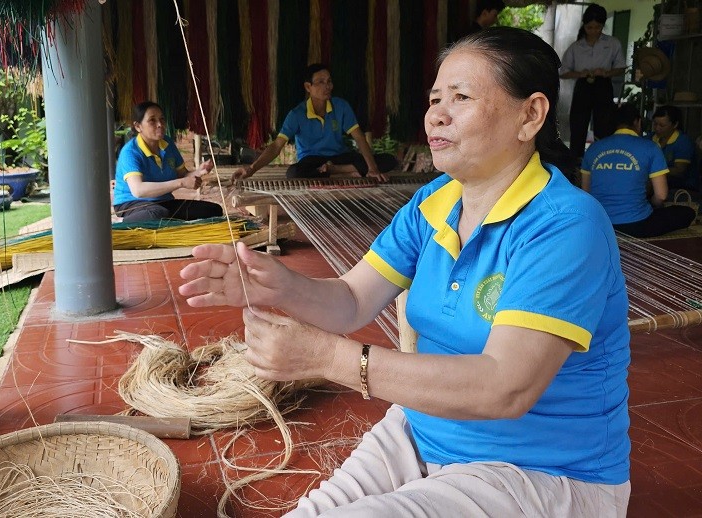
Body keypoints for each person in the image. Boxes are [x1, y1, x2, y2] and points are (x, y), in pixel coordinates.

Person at [181, 27, 631, 517]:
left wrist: (330, 359)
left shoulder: (565, 226)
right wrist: (281, 285)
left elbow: (507, 386)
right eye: (436, 97)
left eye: (461, 97)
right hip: (423, 431)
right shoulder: (432, 204)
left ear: (531, 115)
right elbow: (352, 300)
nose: (436, 113)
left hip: (538, 471)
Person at [231, 64, 397, 182]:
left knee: (389, 160)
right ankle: (345, 170)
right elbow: (276, 146)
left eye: (329, 81)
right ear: (308, 87)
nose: (328, 86)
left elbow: (359, 138)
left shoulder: (341, 106)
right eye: (321, 82)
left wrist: (373, 169)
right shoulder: (297, 114)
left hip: (339, 158)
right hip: (312, 161)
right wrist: (251, 168)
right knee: (294, 173)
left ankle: (334, 171)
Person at [581, 104, 696, 238]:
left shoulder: (593, 149)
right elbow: (661, 196)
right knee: (688, 212)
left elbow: (585, 192)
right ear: (638, 122)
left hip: (599, 224)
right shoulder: (650, 147)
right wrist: (652, 205)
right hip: (637, 225)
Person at [113, 101, 224, 223]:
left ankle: (166, 222)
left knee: (214, 210)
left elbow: (182, 175)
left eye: (162, 119)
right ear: (138, 126)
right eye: (152, 120)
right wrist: (181, 183)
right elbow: (138, 190)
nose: (160, 124)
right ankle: (121, 222)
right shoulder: (130, 151)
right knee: (158, 214)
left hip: (163, 202)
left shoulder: (167, 144)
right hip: (132, 204)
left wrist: (199, 171)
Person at [560, 3, 626, 160]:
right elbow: (563, 72)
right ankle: (576, 162)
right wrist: (580, 73)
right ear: (584, 26)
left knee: (604, 124)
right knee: (578, 125)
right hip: (583, 86)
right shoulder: (576, 47)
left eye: (598, 27)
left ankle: (602, 159)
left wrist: (606, 72)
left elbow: (621, 67)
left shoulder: (612, 43)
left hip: (603, 85)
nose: (594, 31)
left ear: (603, 26)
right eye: (590, 27)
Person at [649, 105, 698, 190]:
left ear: (675, 124)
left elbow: (679, 171)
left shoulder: (683, 142)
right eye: (655, 124)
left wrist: (653, 169)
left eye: (662, 125)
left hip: (682, 189)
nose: (657, 128)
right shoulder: (649, 139)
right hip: (657, 185)